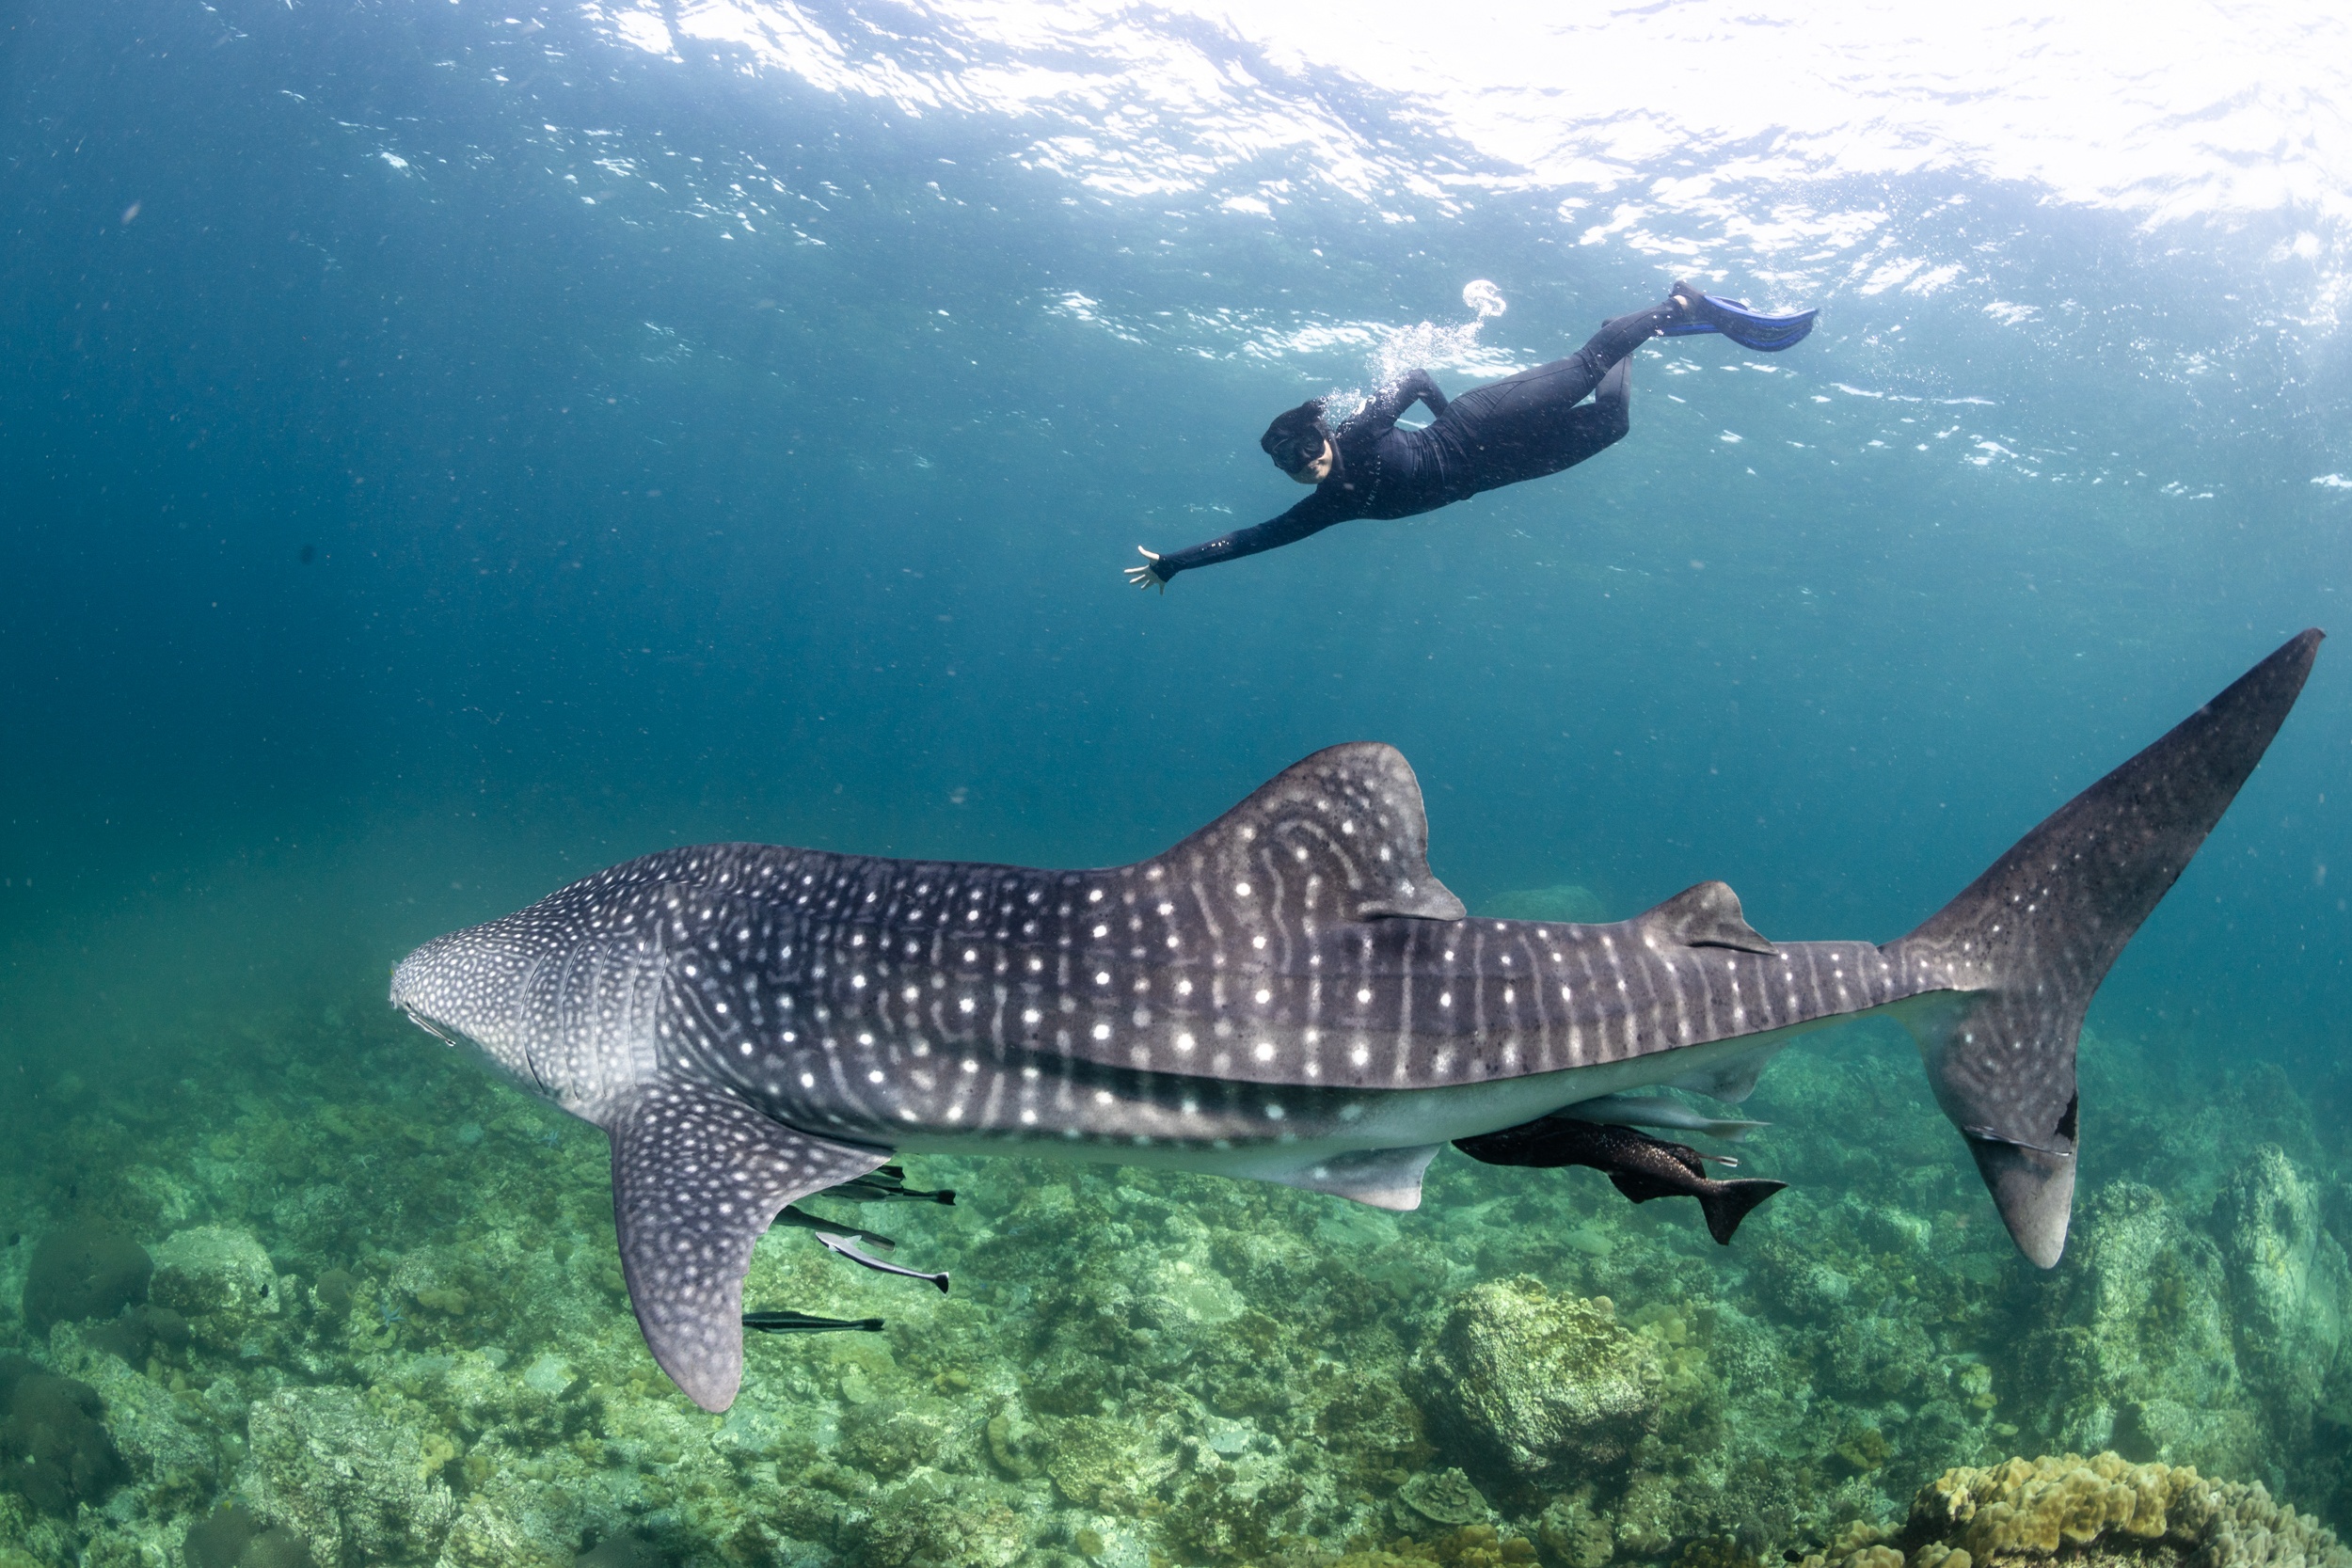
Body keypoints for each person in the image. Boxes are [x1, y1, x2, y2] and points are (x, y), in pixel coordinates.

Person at [1123, 280, 1815, 591]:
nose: (1303, 465)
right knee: (1613, 422)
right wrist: (1173, 563)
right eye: (1289, 465)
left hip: (1480, 425)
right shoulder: (1327, 507)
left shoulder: (1361, 433)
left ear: (1321, 434)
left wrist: (1460, 424)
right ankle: (1636, 329)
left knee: (1584, 366)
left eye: (1304, 446)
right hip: (1497, 470)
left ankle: (1679, 304)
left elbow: (1418, 375)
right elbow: (1253, 539)